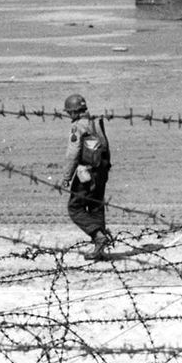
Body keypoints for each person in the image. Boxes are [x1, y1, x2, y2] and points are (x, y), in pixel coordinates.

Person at [60, 93, 114, 254]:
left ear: (75, 112)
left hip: (87, 173)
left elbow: (73, 153)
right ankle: (101, 247)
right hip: (101, 170)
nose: (69, 115)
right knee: (96, 206)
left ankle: (98, 236)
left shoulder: (78, 126)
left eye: (69, 112)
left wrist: (66, 176)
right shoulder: (96, 122)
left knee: (75, 208)